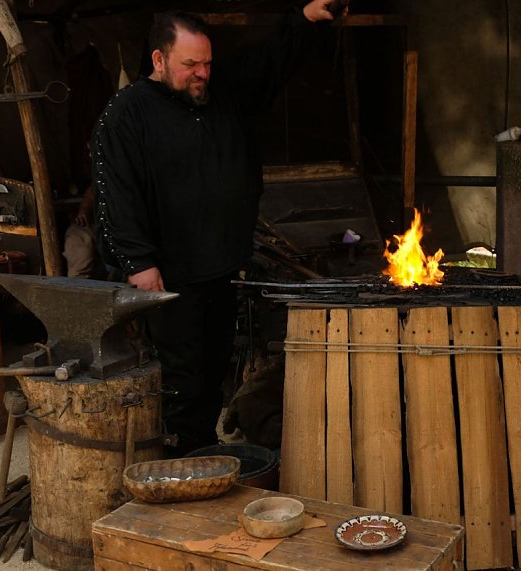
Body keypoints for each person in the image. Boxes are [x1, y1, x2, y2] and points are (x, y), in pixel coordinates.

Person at [93, 2, 339, 457]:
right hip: (169, 275)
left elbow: (270, 64)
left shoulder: (220, 92)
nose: (202, 73)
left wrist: (303, 19)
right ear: (159, 59)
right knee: (182, 378)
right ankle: (182, 464)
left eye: (207, 63)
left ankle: (205, 453)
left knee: (213, 370)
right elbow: (116, 194)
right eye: (191, 64)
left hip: (223, 264)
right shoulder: (126, 114)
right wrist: (137, 262)